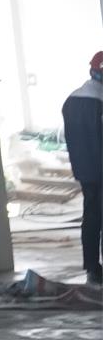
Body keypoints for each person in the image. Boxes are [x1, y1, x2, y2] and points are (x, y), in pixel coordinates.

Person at [68, 50, 102, 284]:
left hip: (85, 171)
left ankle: (92, 268)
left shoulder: (72, 100)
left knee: (91, 216)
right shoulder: (99, 102)